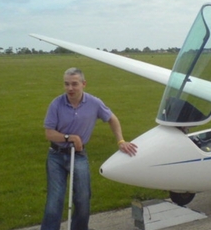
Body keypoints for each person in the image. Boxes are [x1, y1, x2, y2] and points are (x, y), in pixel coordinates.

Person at [41, 67, 138, 230]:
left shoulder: (94, 103)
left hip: (78, 155)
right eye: (66, 84)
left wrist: (120, 141)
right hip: (56, 156)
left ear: (83, 84)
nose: (70, 88)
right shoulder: (56, 104)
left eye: (74, 84)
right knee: (55, 200)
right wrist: (69, 137)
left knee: (83, 198)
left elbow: (112, 119)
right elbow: (49, 133)